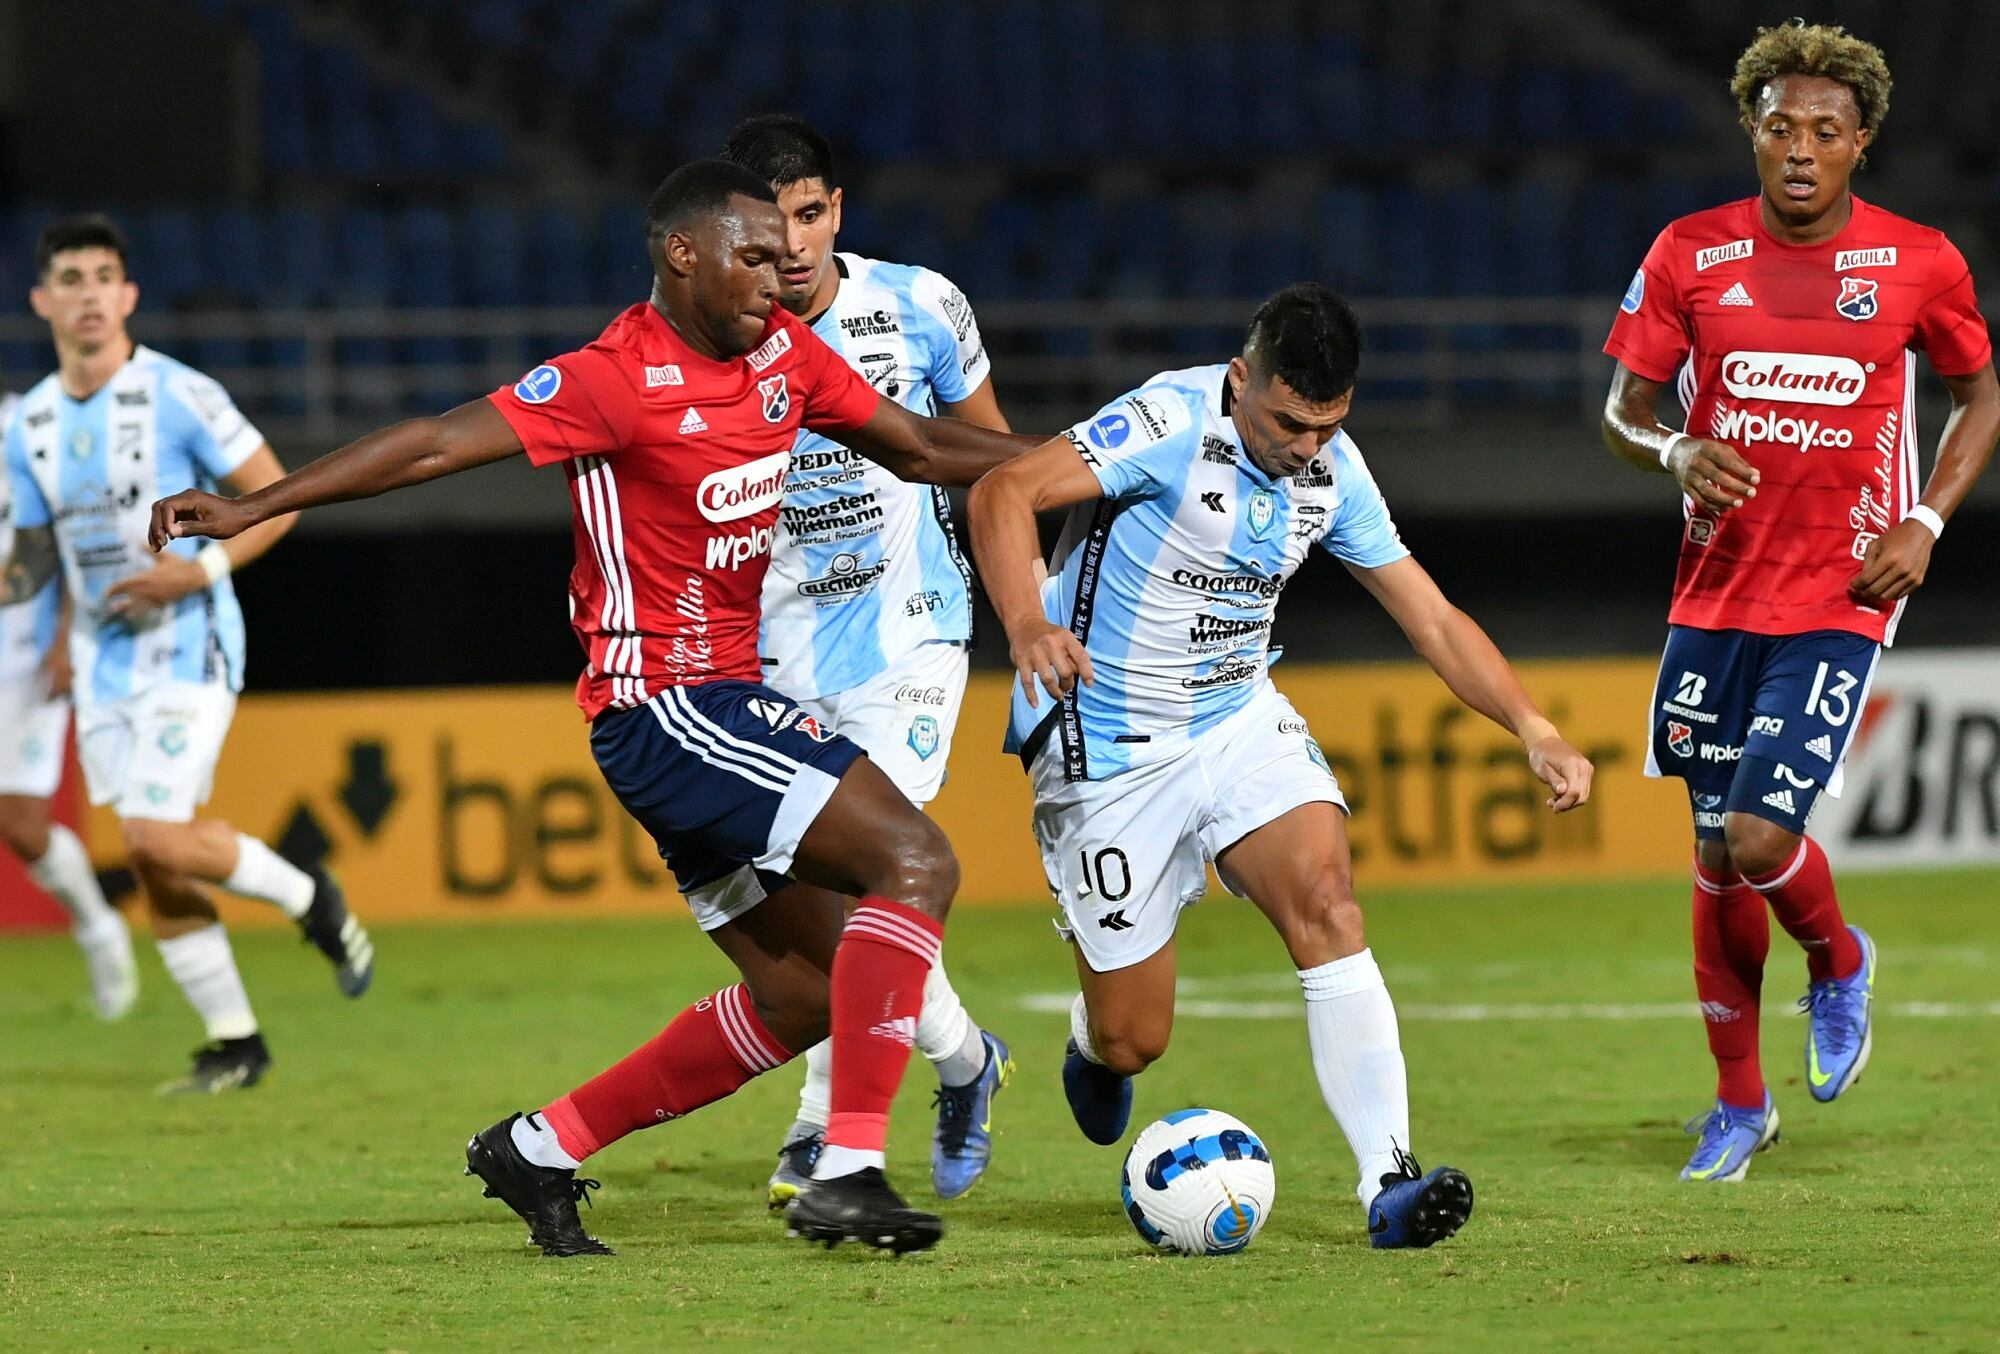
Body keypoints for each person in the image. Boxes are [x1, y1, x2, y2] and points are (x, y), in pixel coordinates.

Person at [150, 161, 1038, 1257]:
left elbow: (916, 445)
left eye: (784, 253)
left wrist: (1078, 466)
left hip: (712, 707)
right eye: (752, 255)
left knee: (804, 991)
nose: (780, 274)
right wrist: (254, 505)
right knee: (914, 862)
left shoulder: (782, 356)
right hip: (664, 706)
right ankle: (847, 1168)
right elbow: (432, 442)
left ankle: (538, 1146)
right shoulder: (614, 376)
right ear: (683, 254)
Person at [966, 282, 1594, 1249]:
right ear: (1239, 380)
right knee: (1139, 1035)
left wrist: (1531, 725)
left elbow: (1427, 614)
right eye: (1290, 422)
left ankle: (1388, 1180)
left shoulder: (1333, 470)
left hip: (1236, 718)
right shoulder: (1170, 420)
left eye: (1328, 425)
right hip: (1108, 743)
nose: (1307, 446)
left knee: (1329, 901)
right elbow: (1004, 490)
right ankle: (1096, 1051)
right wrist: (1026, 623)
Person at [1601, 21, 1998, 1183]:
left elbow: (1979, 398)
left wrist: (1922, 518)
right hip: (1713, 593)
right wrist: (1670, 450)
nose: (1798, 148)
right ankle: (1738, 1105)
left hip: (1839, 588)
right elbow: (1623, 406)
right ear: (1752, 130)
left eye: (1824, 130)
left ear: (1858, 143)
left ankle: (1837, 956)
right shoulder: (1687, 252)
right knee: (1712, 854)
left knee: (1763, 835)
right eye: (1779, 125)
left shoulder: (1920, 262)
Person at [1, 215, 376, 1093]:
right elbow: (27, 565)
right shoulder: (31, 425)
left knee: (151, 832)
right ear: (42, 299)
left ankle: (308, 895)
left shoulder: (180, 393)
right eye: (71, 277)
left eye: (104, 276)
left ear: (127, 295)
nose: (88, 292)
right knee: (151, 859)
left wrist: (193, 572)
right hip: (102, 663)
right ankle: (236, 1040)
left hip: (188, 642)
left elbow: (277, 501)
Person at [720, 114, 1012, 1208]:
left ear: (836, 209)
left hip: (913, 631)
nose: (793, 243)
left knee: (857, 873)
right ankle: (965, 1058)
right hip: (772, 650)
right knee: (813, 897)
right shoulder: (714, 337)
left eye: (810, 213)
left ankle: (818, 1134)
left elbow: (991, 462)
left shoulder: (923, 306)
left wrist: (1028, 621)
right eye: (769, 221)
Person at [0, 378, 137, 1020]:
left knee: (23, 826)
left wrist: (64, 641)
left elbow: (71, 539)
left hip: (21, 657)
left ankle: (96, 926)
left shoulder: (25, 429)